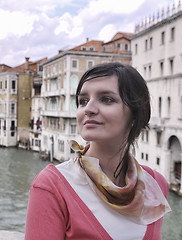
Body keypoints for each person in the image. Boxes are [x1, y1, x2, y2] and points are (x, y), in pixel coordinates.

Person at [25, 62, 171, 240]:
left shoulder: (156, 185)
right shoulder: (51, 187)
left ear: (135, 114)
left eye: (107, 99)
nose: (88, 109)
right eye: (83, 101)